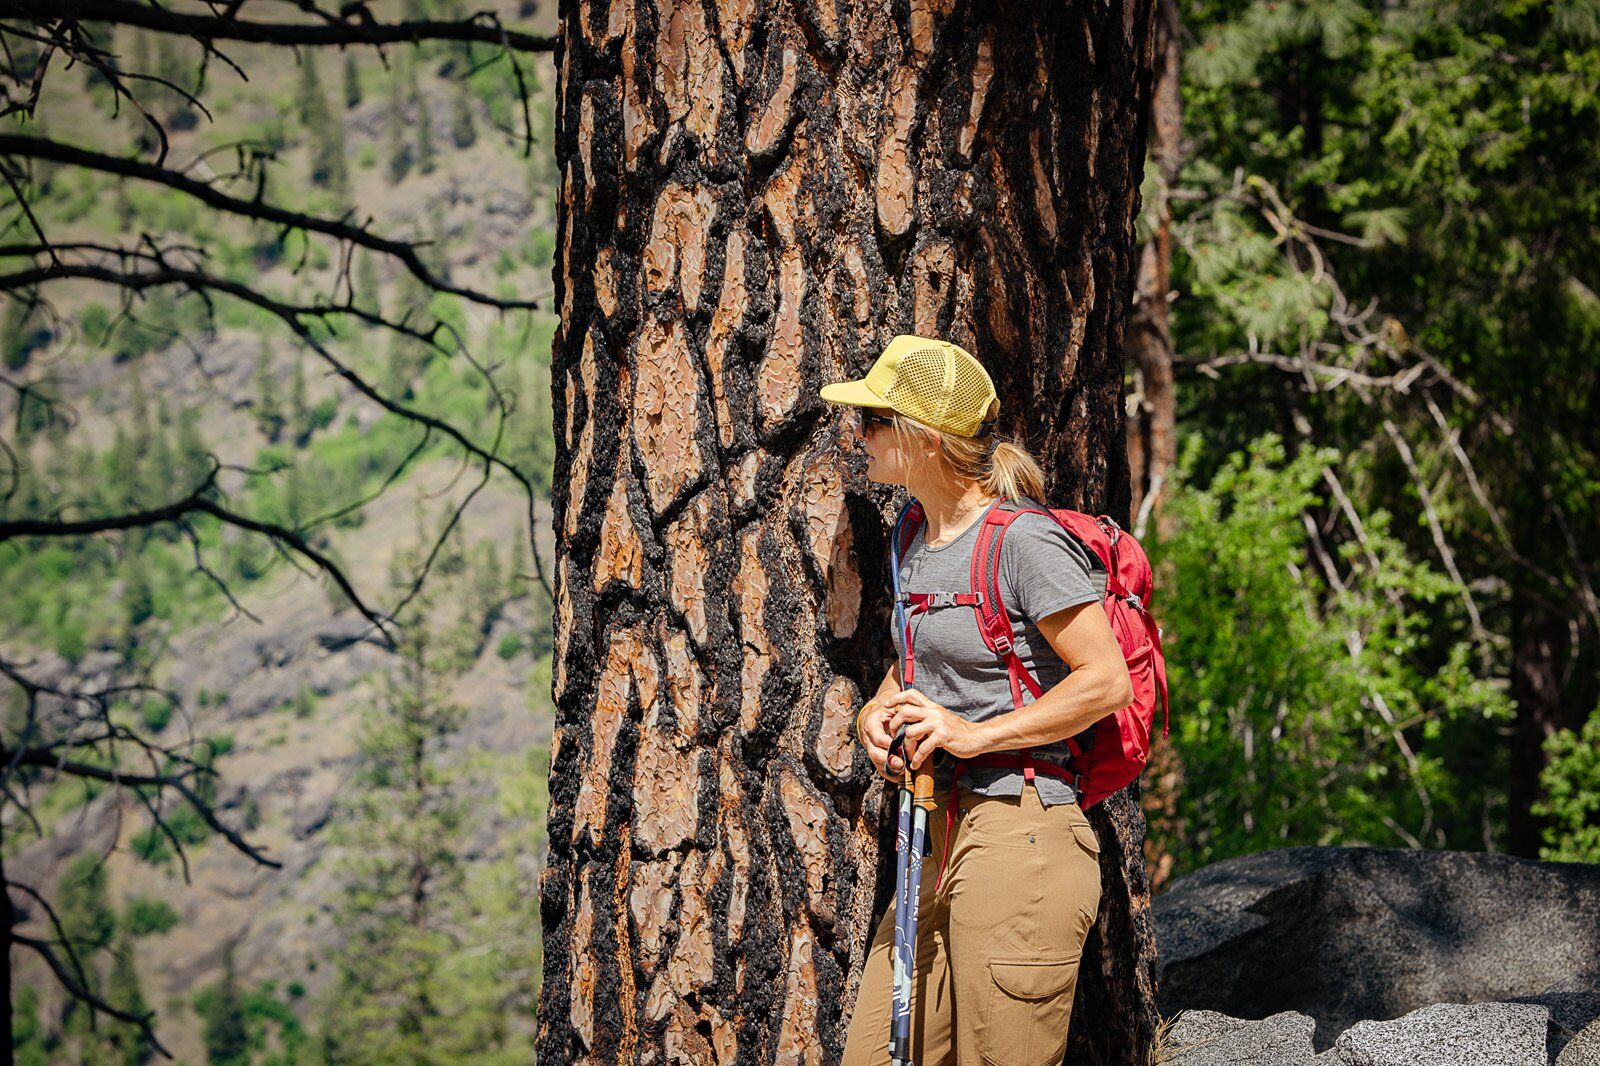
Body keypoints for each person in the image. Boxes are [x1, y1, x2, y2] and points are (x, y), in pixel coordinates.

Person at [820, 334, 1134, 1066]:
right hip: (935, 834)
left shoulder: (1025, 542)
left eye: (873, 421)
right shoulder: (914, 539)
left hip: (1022, 833)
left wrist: (971, 735)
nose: (858, 436)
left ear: (923, 440)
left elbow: (1104, 680)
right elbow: (917, 668)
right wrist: (878, 709)